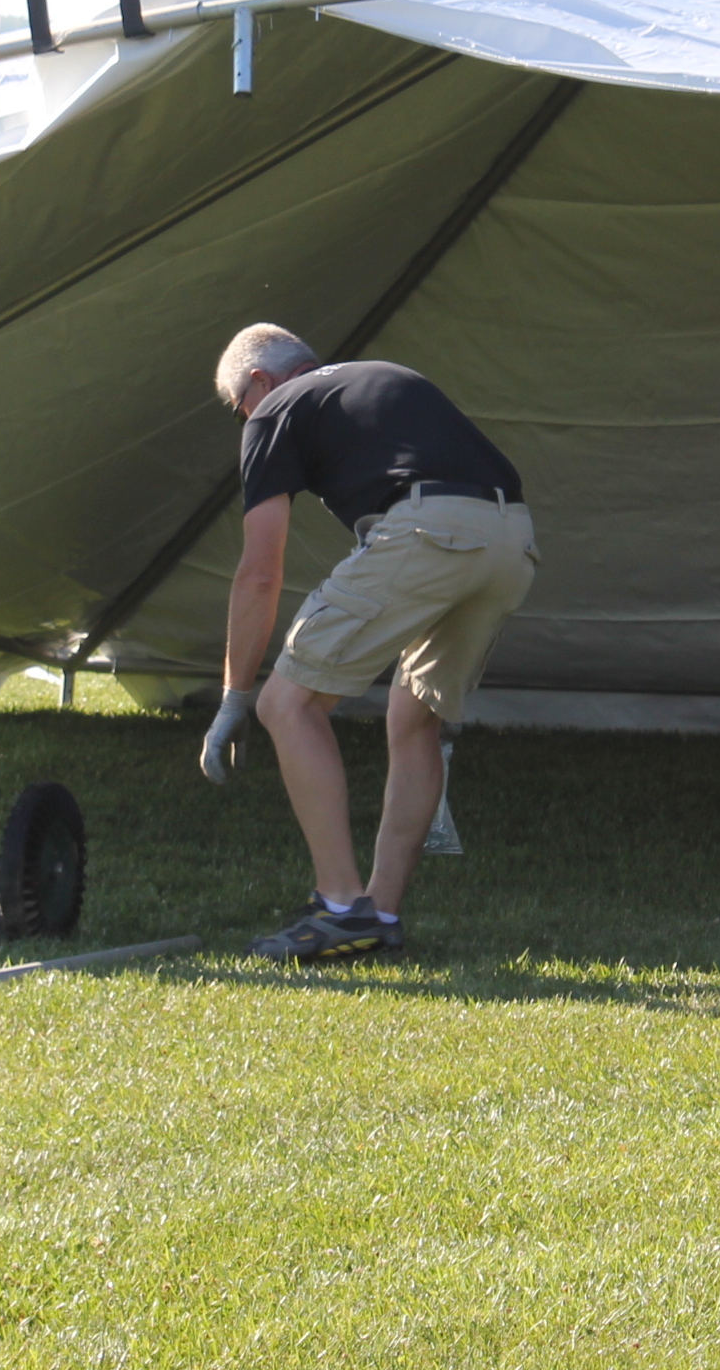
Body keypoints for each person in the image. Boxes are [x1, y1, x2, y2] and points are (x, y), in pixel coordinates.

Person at [201, 323, 535, 961]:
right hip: (512, 537)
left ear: (260, 383)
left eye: (237, 407)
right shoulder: (381, 376)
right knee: (414, 716)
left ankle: (338, 905)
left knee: (286, 704)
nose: (244, 420)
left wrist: (234, 697)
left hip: (430, 529)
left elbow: (260, 572)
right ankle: (379, 912)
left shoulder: (271, 408)